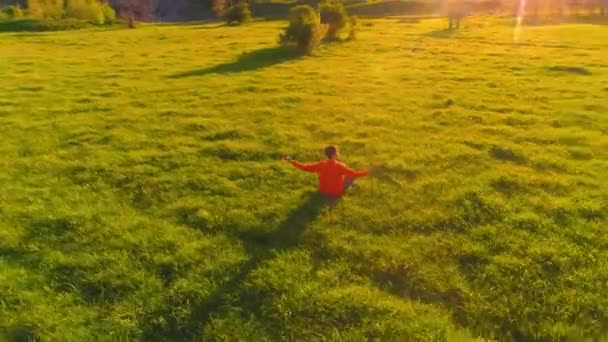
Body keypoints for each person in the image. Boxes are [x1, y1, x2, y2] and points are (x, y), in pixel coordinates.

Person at [281, 146, 369, 197]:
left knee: (348, 174)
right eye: (337, 152)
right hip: (335, 192)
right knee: (350, 176)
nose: (338, 154)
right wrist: (368, 172)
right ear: (334, 155)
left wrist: (290, 160)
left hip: (323, 191)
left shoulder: (321, 164)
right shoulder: (339, 166)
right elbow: (354, 173)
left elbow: (304, 167)